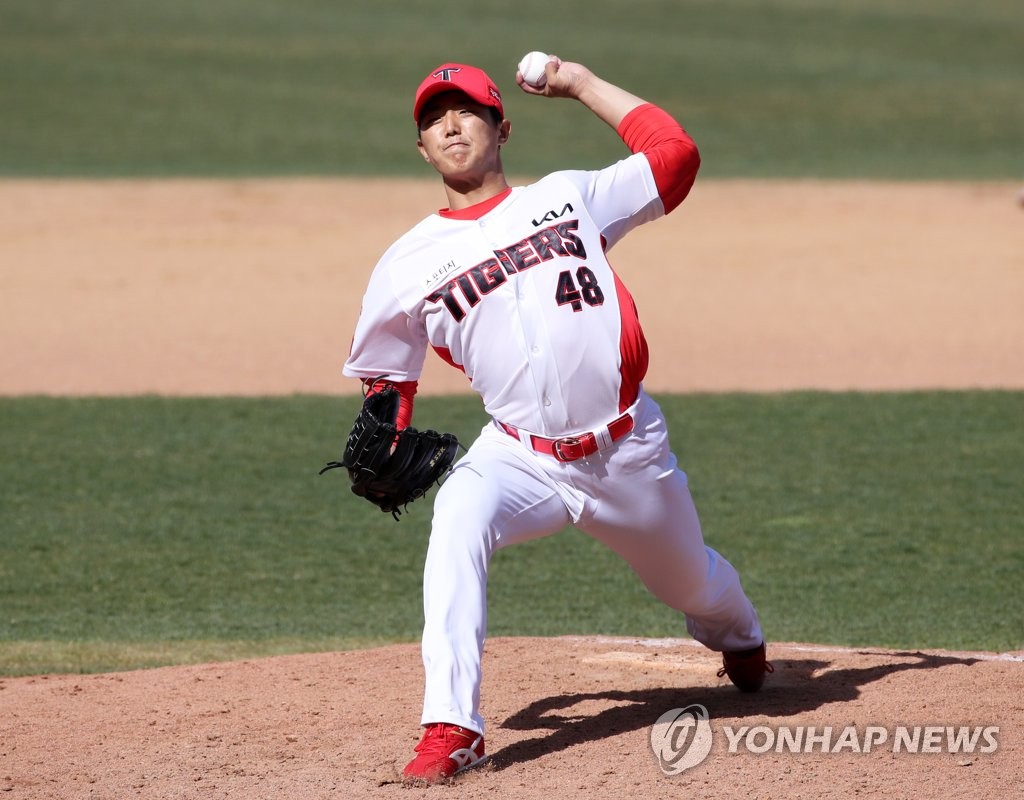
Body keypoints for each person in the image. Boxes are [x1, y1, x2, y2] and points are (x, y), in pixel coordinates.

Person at [341, 57, 771, 784]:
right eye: (433, 117)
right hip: (519, 457)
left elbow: (675, 157)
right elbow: (388, 377)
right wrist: (384, 428)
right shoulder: (405, 263)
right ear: (420, 147)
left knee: (692, 584)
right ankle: (452, 728)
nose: (450, 124)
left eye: (468, 110)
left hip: (628, 451)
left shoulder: (571, 197)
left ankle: (739, 634)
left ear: (501, 127)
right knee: (456, 518)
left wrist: (579, 84)